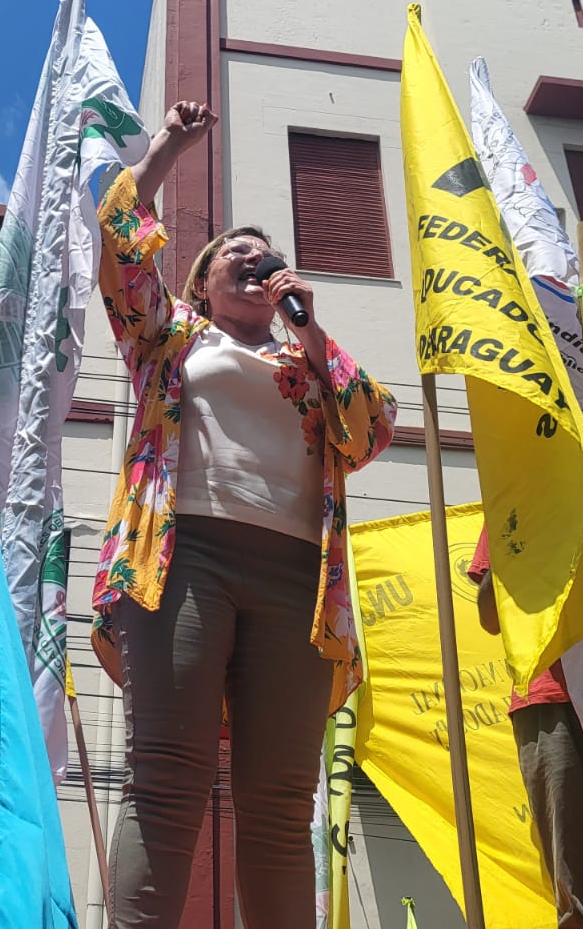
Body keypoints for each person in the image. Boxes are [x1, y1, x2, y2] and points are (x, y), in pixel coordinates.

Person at [91, 99, 397, 929]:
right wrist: (164, 152)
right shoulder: (173, 336)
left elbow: (373, 429)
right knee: (167, 773)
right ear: (200, 281)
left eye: (270, 259)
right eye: (237, 254)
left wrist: (313, 330)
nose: (257, 263)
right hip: (184, 556)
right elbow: (119, 249)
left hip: (300, 577)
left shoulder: (309, 354)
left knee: (280, 799)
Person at [471, 530, 583, 929]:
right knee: (577, 885)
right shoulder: (515, 496)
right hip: (551, 698)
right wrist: (519, 541)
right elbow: (490, 616)